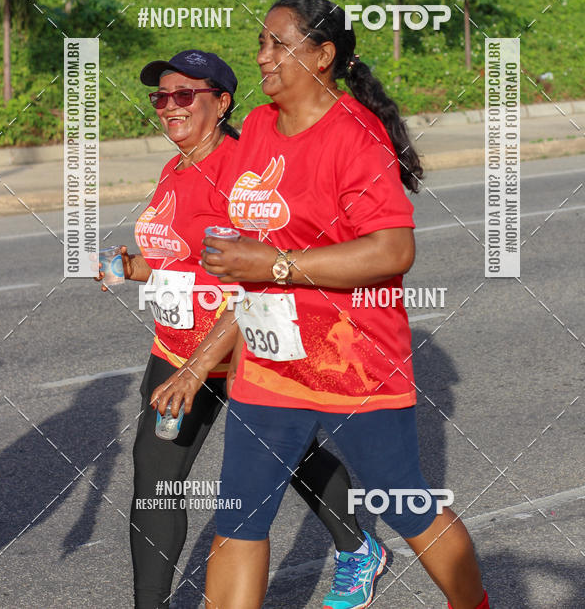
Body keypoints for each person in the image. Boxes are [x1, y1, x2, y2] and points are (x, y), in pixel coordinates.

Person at [200, 0, 490, 609]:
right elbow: (253, 249)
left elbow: (392, 249)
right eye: (261, 43)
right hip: (269, 363)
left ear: (324, 56)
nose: (262, 58)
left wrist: (274, 264)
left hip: (352, 361)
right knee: (238, 520)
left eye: (279, 44)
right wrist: (204, 354)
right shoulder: (255, 127)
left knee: (405, 503)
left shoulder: (356, 134)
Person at [97, 48, 376, 609]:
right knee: (156, 478)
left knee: (292, 459)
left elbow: (258, 275)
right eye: (161, 97)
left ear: (221, 102)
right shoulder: (175, 166)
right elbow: (181, 258)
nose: (168, 107)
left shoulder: (242, 170)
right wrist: (131, 266)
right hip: (175, 347)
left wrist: (198, 368)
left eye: (184, 96)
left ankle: (357, 547)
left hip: (249, 346)